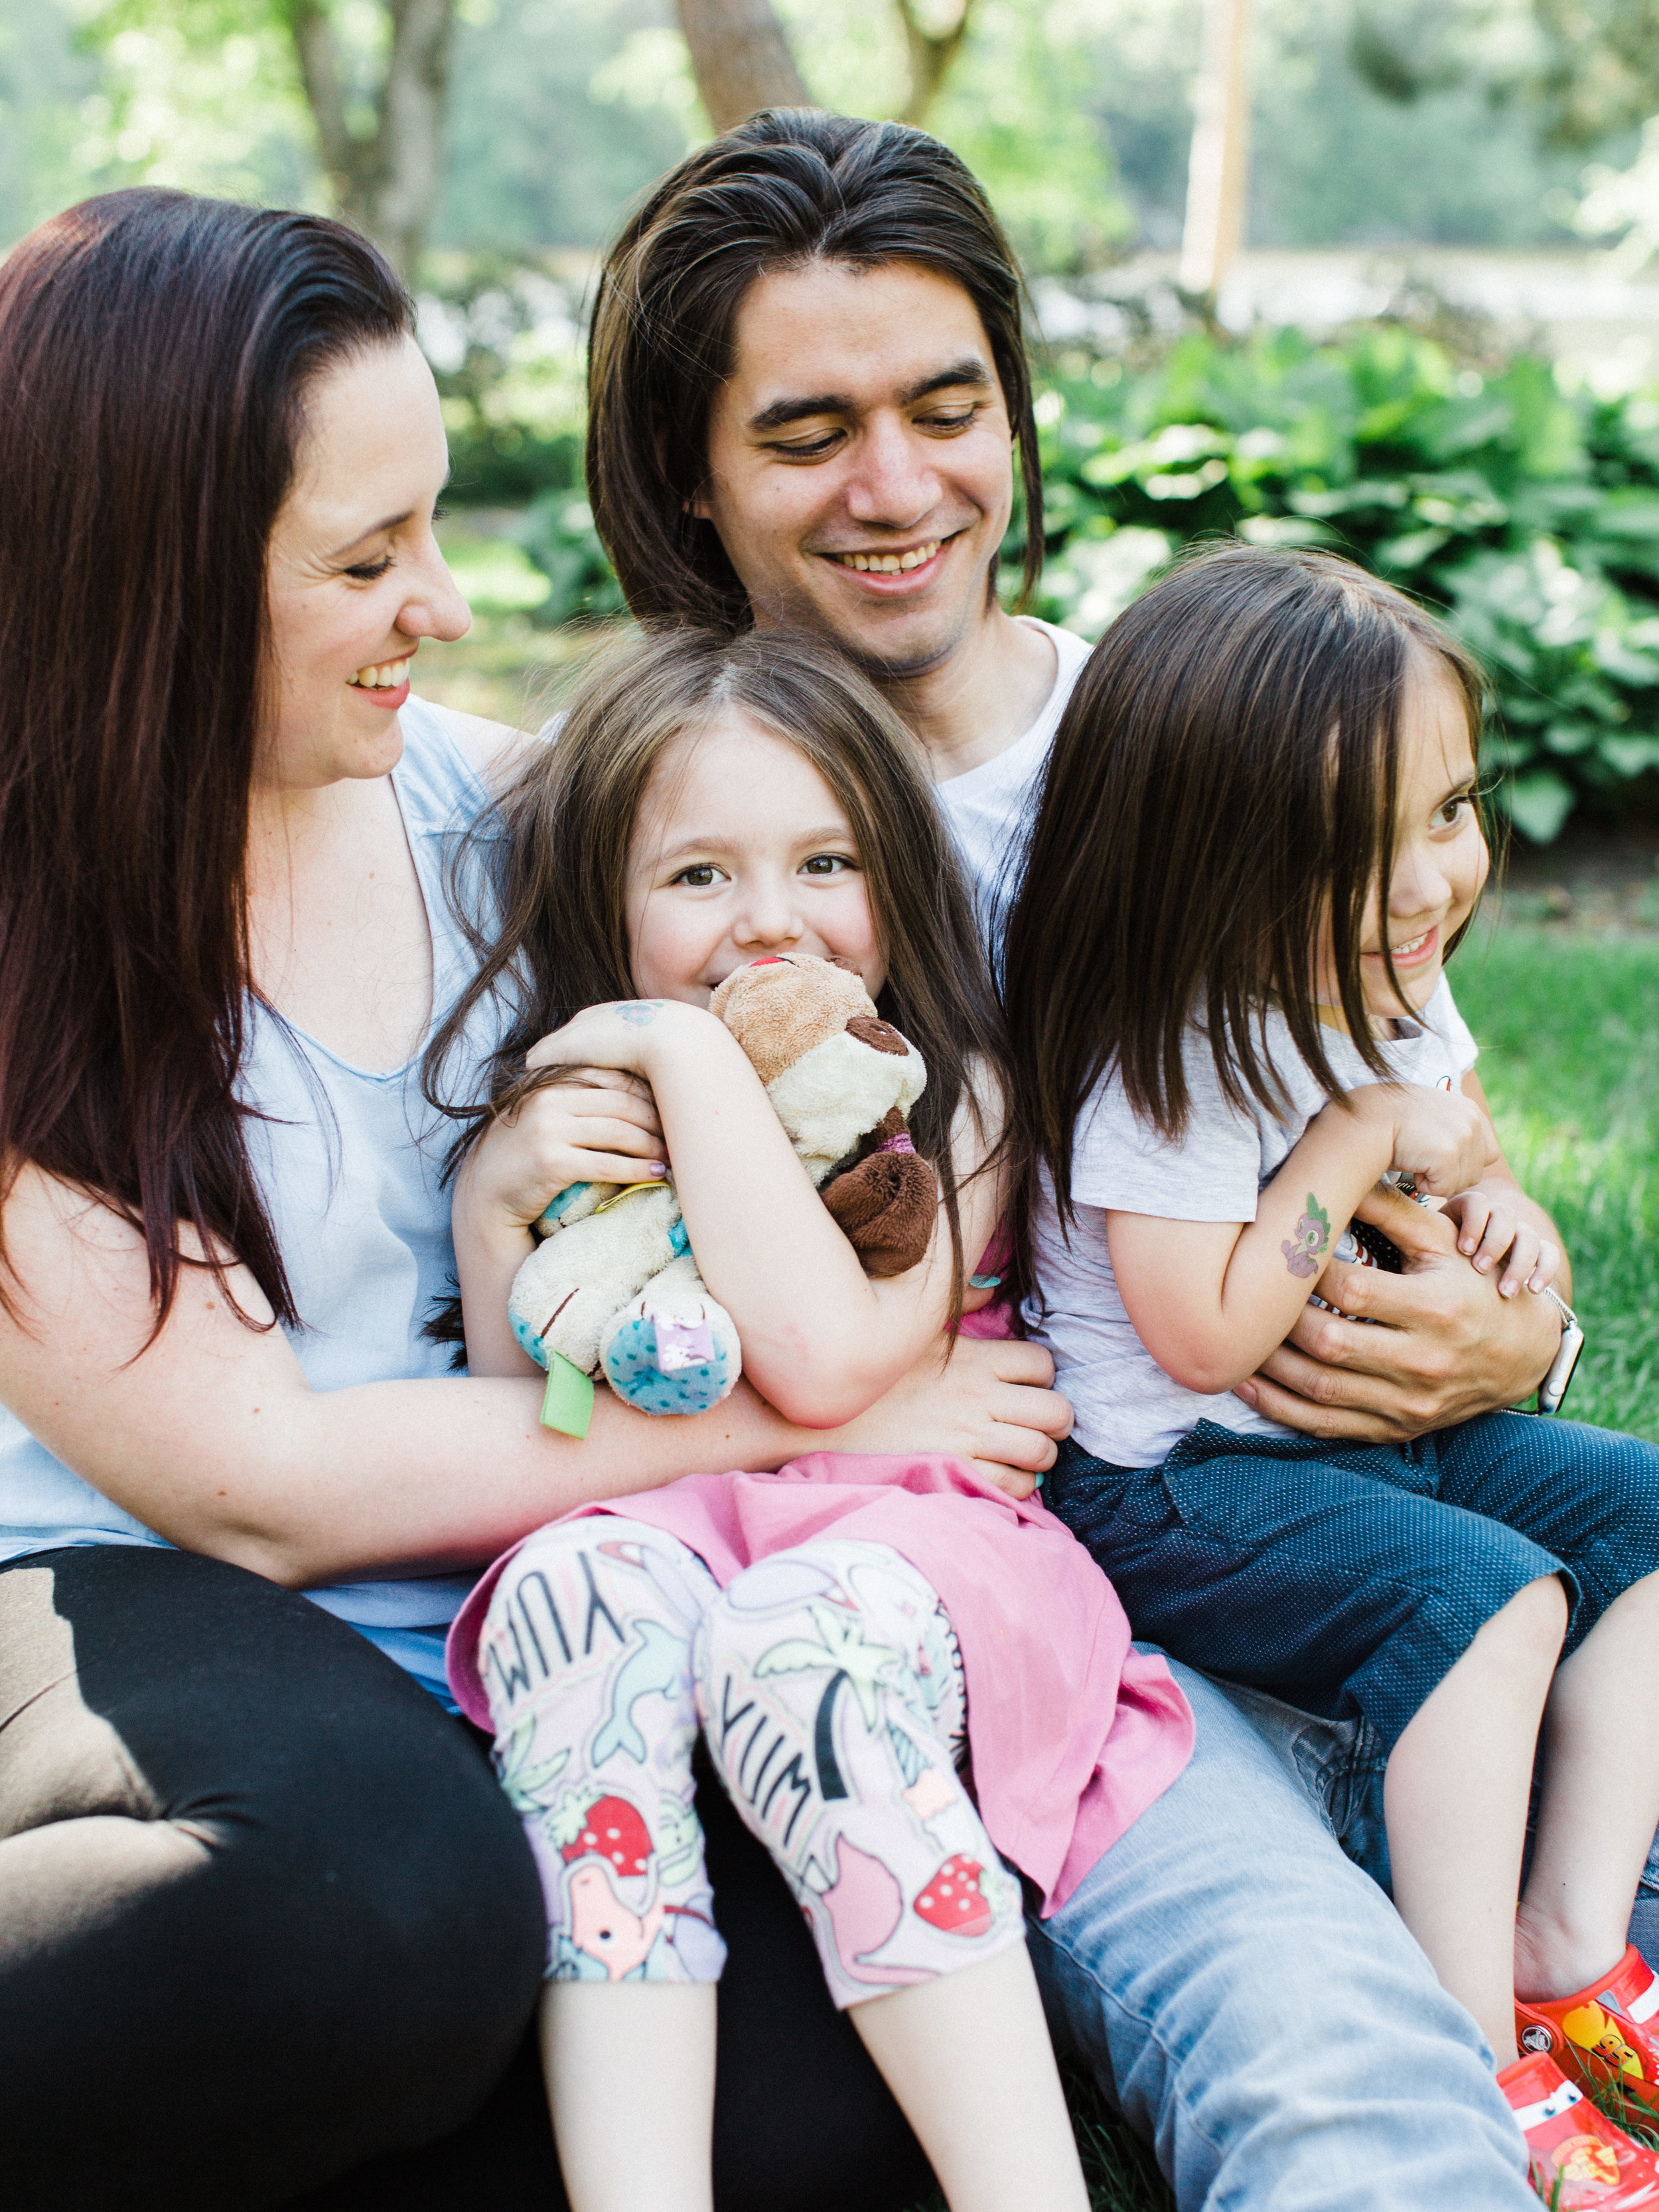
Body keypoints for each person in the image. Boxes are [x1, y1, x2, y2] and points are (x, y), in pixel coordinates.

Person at [580, 106, 1636, 2207]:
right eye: (806, 432)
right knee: (1348, 2075)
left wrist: (1513, 1337)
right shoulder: (650, 837)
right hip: (1049, 1586)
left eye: (945, 406)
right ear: (685, 473)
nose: (898, 489)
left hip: (1363, 1504)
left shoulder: (1193, 738)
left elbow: (1417, 1122)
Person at [0, 188, 1072, 2211]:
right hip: (117, 1590)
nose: (443, 604)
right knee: (376, 1913)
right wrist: (828, 1409)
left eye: (433, 527)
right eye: (363, 557)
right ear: (148, 580)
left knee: (810, 2107)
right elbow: (258, 1481)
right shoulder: (27, 929)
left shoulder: (494, 815)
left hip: (499, 1595)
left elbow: (875, 996)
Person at [434, 622, 1196, 2212]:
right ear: (604, 901)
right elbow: (536, 1438)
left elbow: (835, 1360)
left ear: (892, 874)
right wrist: (501, 1199)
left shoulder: (951, 1093)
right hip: (653, 1519)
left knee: (798, 1640)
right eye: (697, 875)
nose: (768, 921)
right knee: (572, 1596)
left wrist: (681, 1050)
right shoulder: (574, 1113)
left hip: (908, 1541)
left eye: (823, 860)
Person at [1000, 539, 1659, 2205]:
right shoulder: (1165, 1056)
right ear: (1208, 866)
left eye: (1451, 809)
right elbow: (1203, 1333)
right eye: (1366, 849)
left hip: (1369, 1442)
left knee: (1645, 1518)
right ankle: (1471, 2047)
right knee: (1492, 1596)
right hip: (1173, 1490)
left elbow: (1474, 1160)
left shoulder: (1394, 981)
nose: (1435, 878)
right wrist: (1355, 1122)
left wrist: (1500, 1216)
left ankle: (1565, 1933)